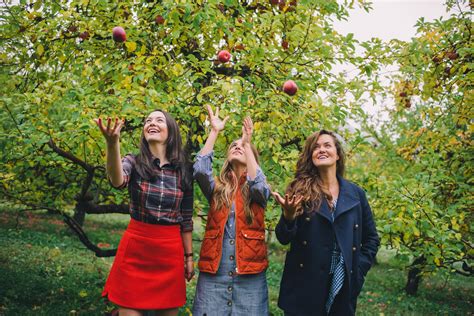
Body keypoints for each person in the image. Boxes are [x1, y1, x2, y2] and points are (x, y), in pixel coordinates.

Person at [95, 110, 194, 316]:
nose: (152, 123)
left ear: (171, 131)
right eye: (148, 120)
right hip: (136, 250)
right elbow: (117, 180)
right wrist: (113, 144)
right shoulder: (134, 161)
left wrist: (189, 257)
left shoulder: (184, 170)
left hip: (169, 253)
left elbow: (186, 218)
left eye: (159, 120)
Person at [273, 130, 380, 316]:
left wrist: (358, 269)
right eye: (316, 147)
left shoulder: (356, 194)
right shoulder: (299, 189)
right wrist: (288, 216)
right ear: (311, 156)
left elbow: (371, 238)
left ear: (337, 154)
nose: (321, 149)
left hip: (342, 284)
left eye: (327, 145)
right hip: (304, 286)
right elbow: (283, 238)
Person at [192, 105, 270, 315]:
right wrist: (214, 132)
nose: (238, 146)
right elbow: (199, 170)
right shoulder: (217, 189)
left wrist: (247, 143)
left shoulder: (257, 188)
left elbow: (260, 187)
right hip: (214, 275)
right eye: (234, 145)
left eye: (243, 147)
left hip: (250, 276)